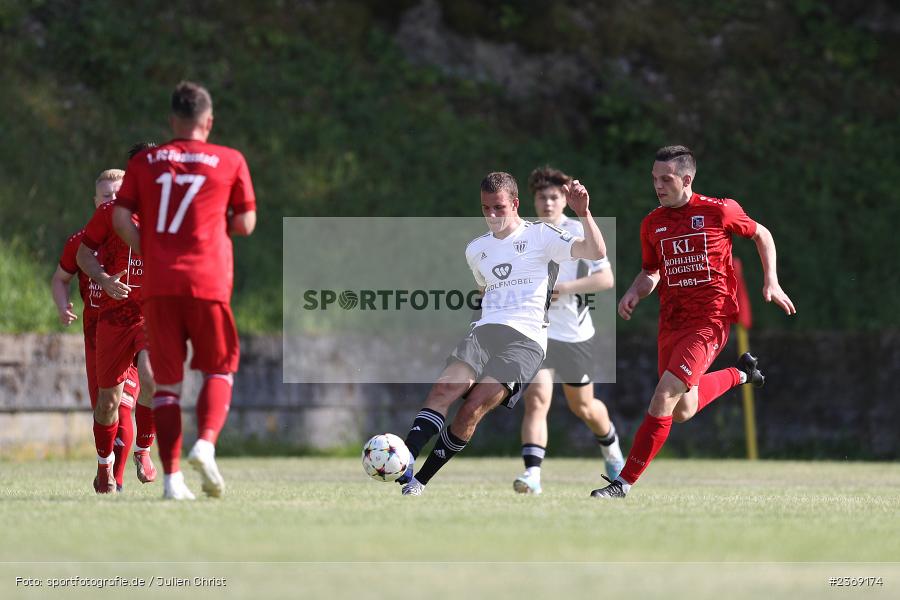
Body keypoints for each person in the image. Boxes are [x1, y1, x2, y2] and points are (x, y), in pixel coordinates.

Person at [590, 145, 796, 499]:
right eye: (654, 178)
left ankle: (621, 484)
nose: (658, 185)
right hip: (671, 323)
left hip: (709, 321)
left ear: (686, 179)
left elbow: (762, 234)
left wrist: (771, 280)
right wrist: (635, 292)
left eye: (665, 179)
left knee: (664, 396)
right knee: (683, 409)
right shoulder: (652, 223)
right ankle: (743, 373)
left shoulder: (719, 210)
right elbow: (651, 271)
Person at [395, 171, 607, 496]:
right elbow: (485, 290)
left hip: (526, 342)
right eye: (485, 208)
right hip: (484, 332)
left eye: (499, 207)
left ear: (515, 204)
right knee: (443, 389)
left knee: (472, 408)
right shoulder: (476, 249)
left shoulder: (542, 235)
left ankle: (420, 480)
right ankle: (404, 457)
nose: (492, 215)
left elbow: (594, 252)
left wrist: (584, 213)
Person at [112, 81, 257, 500]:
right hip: (207, 280)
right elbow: (246, 224)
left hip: (159, 286)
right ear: (208, 121)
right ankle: (206, 442)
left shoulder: (145, 162)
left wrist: (153, 250)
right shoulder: (229, 159)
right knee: (219, 368)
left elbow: (122, 219)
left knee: (167, 384)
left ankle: (172, 480)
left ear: (172, 121)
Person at [513, 166, 624, 495]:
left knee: (584, 407)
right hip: (538, 334)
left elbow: (607, 280)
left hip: (574, 336)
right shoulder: (525, 235)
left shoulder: (578, 231)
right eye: (542, 197)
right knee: (536, 399)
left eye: (554, 197)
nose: (547, 203)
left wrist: (566, 287)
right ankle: (532, 475)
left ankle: (612, 450)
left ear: (564, 201)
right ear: (533, 201)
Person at [76, 167, 158, 493]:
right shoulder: (108, 216)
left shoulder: (164, 213)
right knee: (107, 404)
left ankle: (143, 450)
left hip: (148, 317)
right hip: (112, 320)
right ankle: (104, 466)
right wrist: (105, 280)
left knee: (153, 378)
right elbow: (82, 255)